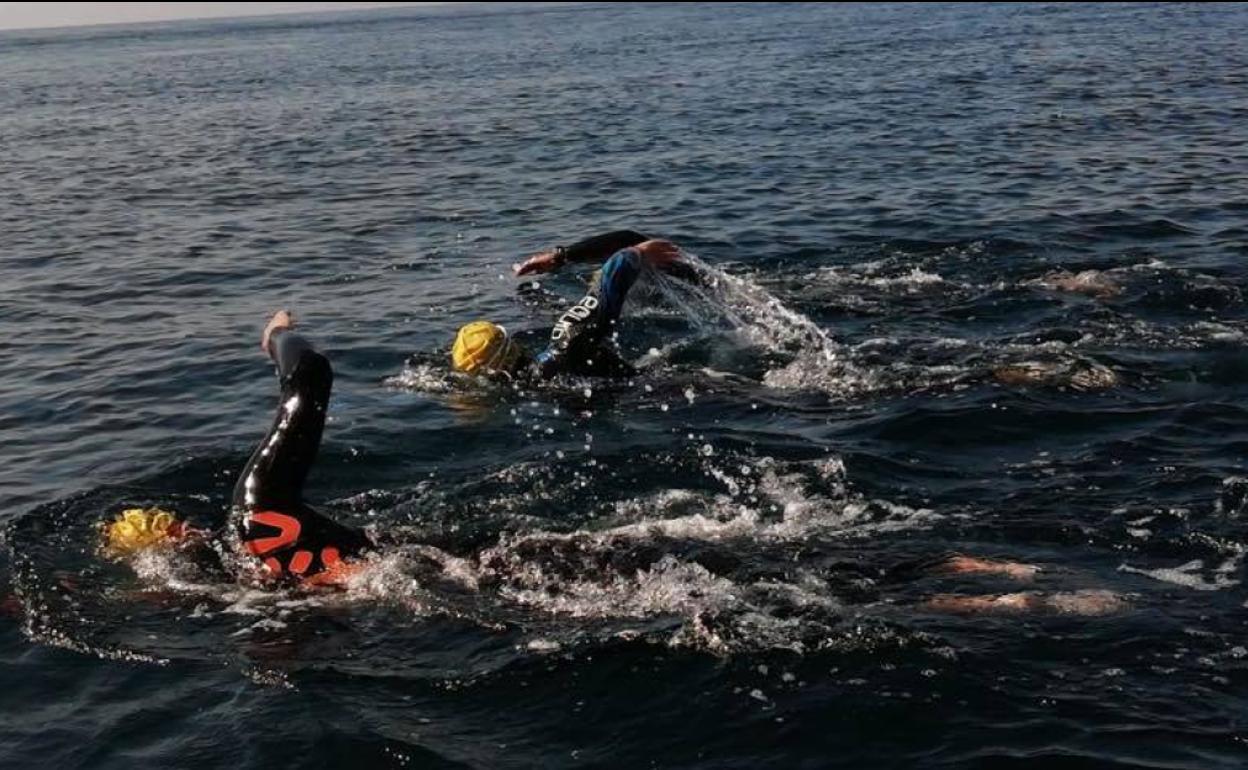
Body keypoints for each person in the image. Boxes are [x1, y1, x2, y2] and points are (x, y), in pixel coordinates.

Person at [450, 229, 685, 380]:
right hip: (666, 390)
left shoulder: (531, 388)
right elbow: (618, 266)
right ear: (511, 345)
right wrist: (637, 251)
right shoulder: (566, 343)